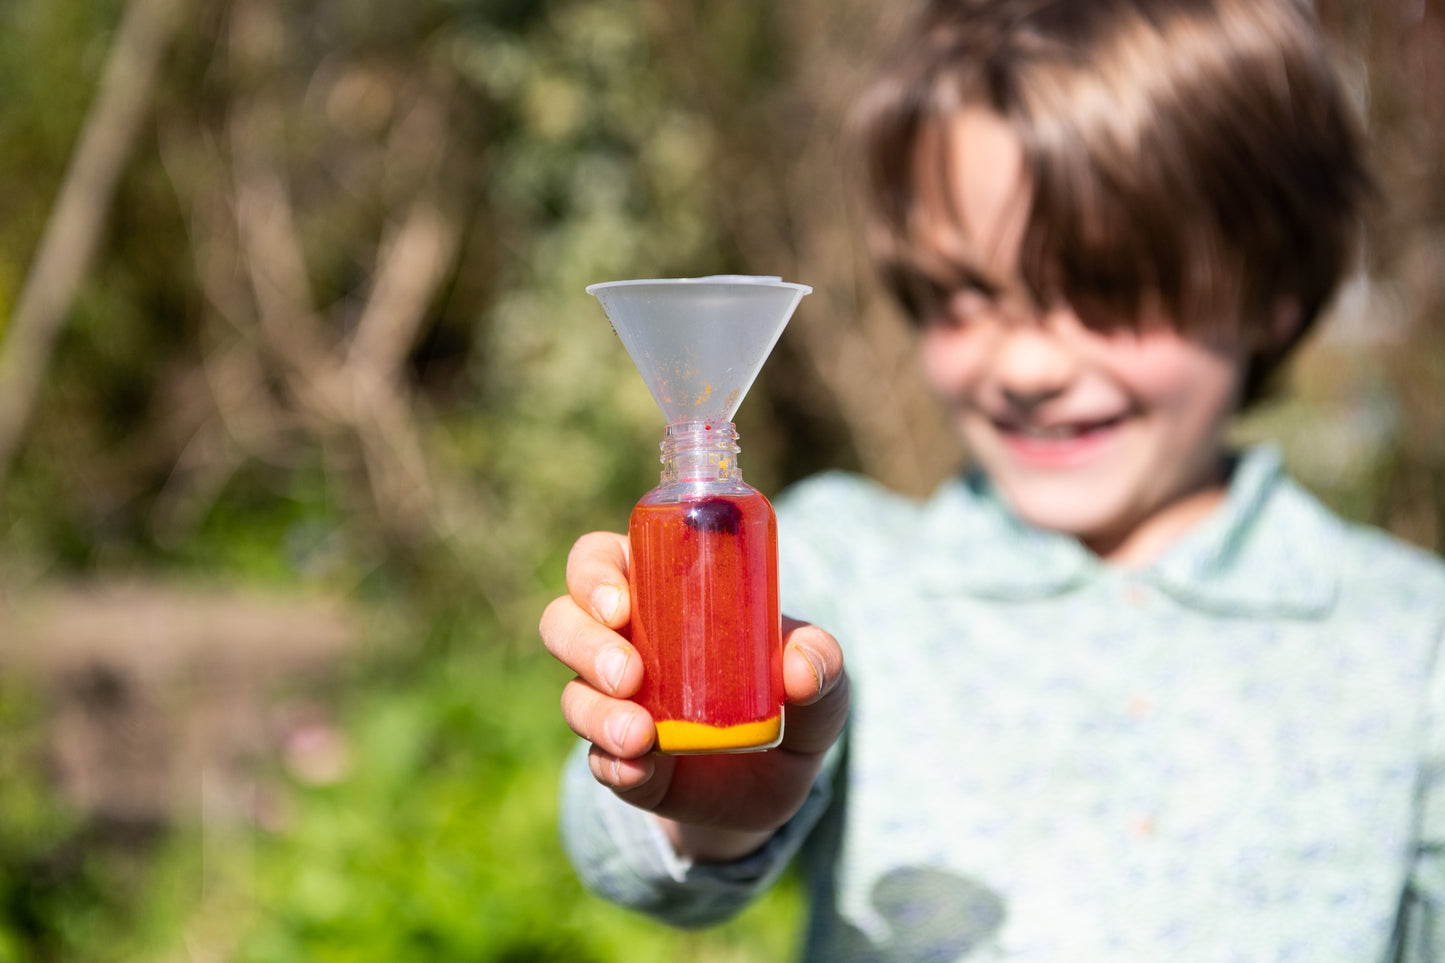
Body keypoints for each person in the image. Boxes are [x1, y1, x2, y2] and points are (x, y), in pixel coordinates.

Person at [538, 0, 1445, 958]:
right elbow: (624, 855)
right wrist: (693, 812)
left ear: (1273, 293)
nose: (1026, 368)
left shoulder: (1411, 645)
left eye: (1103, 293)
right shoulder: (841, 572)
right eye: (965, 296)